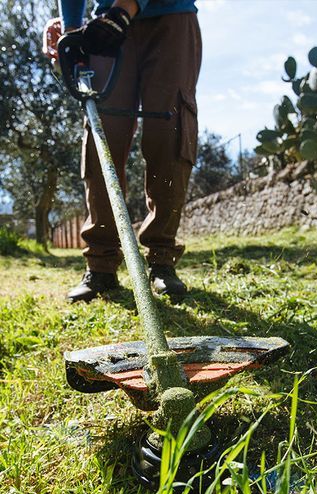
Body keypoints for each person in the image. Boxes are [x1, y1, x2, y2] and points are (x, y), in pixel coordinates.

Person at [45, 0, 201, 302]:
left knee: (169, 133)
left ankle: (161, 260)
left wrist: (126, 7)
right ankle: (101, 264)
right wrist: (72, 30)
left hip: (170, 15)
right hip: (106, 22)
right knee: (102, 134)